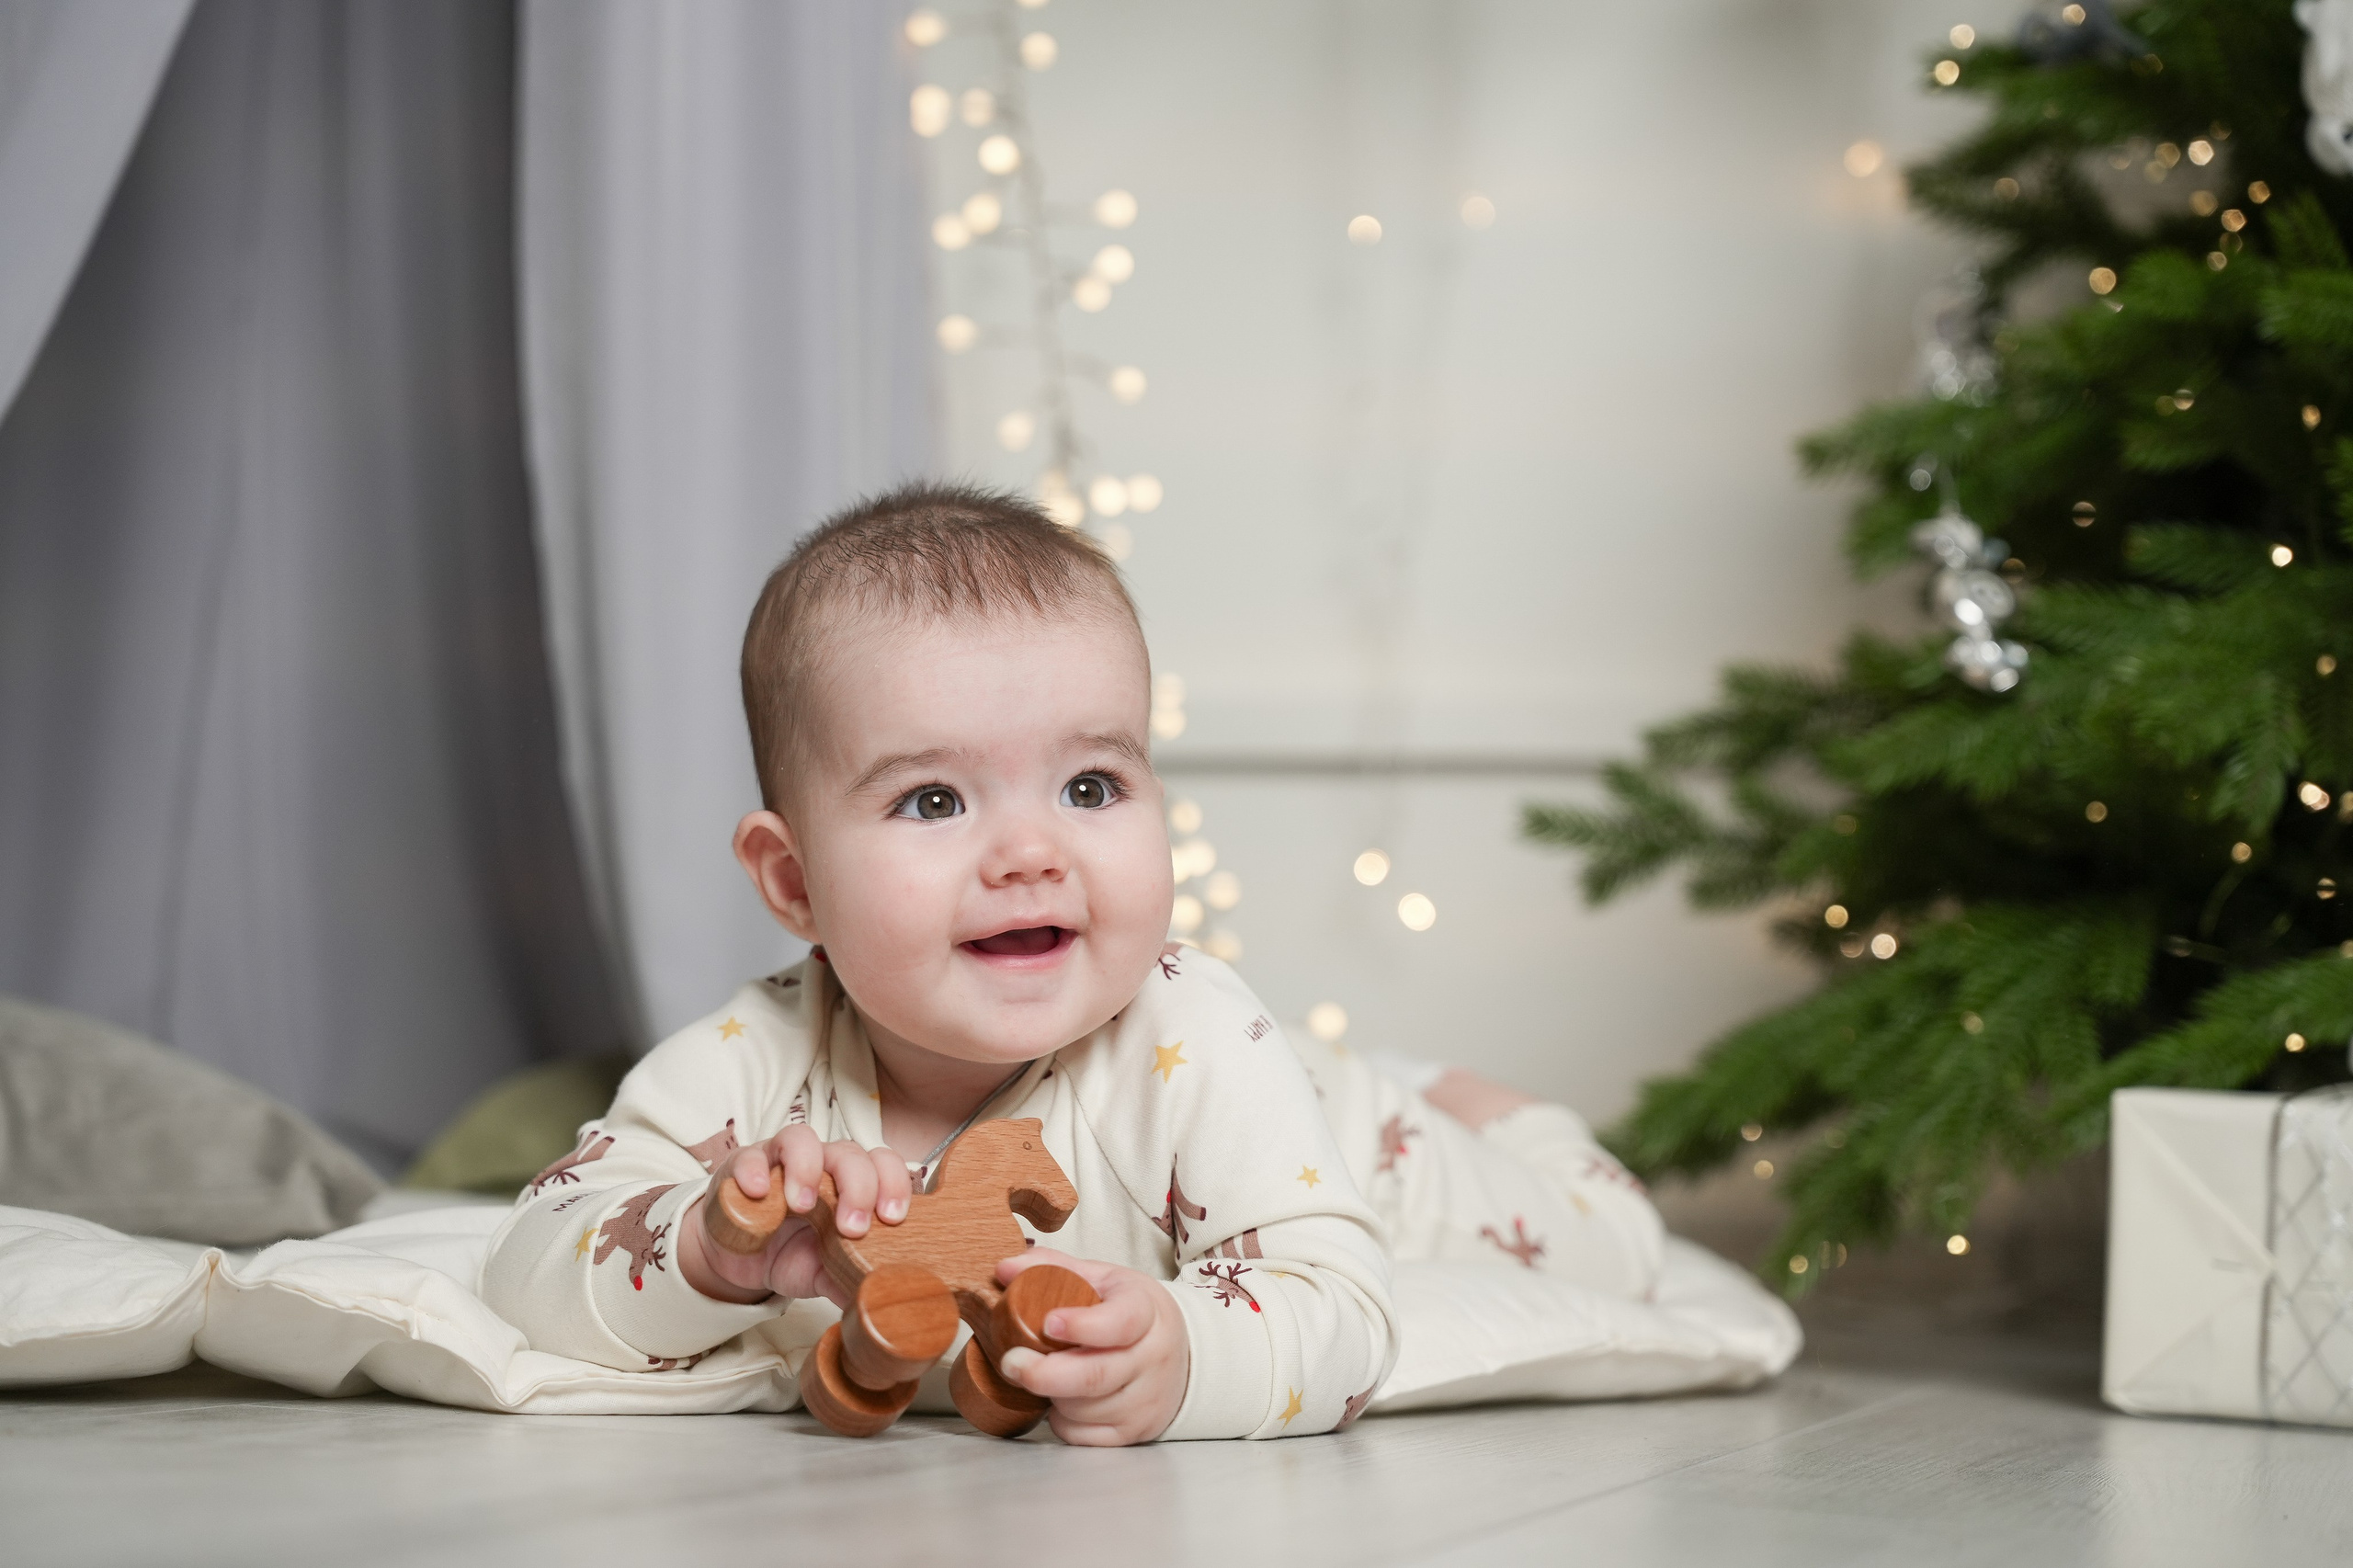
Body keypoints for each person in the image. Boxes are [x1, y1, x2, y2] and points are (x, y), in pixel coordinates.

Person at [483, 484, 1662, 1445]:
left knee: (1611, 1242)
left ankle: (1468, 1103)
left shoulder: (1191, 1034)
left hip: (1353, 1140)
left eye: (1090, 785)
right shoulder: (756, 1065)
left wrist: (1191, 1354)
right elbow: (530, 1262)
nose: (1030, 852)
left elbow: (1341, 1309)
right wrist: (708, 1246)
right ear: (794, 882)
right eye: (933, 799)